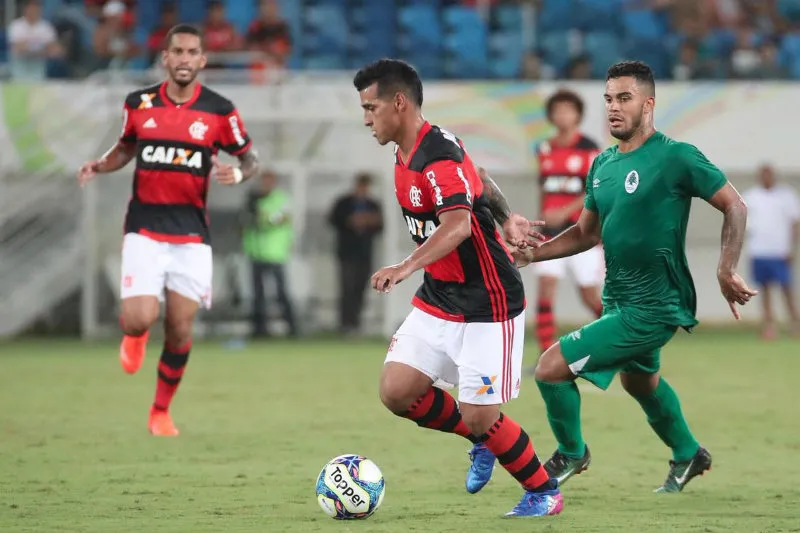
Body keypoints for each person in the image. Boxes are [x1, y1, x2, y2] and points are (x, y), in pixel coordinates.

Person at [507, 61, 756, 493]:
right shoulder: (602, 164)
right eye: (608, 99)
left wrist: (725, 266)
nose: (613, 108)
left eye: (624, 98)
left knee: (550, 369)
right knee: (640, 382)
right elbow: (586, 233)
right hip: (619, 298)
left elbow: (735, 204)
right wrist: (534, 253)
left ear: (649, 102)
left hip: (655, 306)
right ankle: (688, 454)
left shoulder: (675, 156)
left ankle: (571, 452)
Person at [353, 58, 562, 517]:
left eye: (371, 107)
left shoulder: (437, 154)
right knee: (397, 391)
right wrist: (507, 217)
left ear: (399, 103)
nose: (366, 118)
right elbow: (481, 178)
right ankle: (482, 440)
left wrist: (405, 266)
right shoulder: (409, 149)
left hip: (488, 301)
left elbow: (460, 226)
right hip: (440, 296)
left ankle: (544, 492)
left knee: (481, 415)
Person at [76, 24, 259, 436]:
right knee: (141, 317)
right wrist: (99, 164)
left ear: (202, 60)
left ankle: (160, 412)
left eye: (192, 52)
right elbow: (125, 147)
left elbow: (252, 160)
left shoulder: (219, 110)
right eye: (176, 51)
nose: (183, 59)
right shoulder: (138, 103)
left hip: (192, 235)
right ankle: (135, 334)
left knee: (179, 329)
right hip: (145, 227)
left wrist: (240, 175)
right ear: (165, 57)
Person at [532, 88, 603, 359]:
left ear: (578, 115)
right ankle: (545, 354)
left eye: (568, 110)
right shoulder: (544, 149)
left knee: (589, 296)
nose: (562, 115)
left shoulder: (589, 149)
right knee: (545, 291)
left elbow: (594, 190)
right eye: (558, 110)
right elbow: (545, 188)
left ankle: (621, 346)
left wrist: (565, 211)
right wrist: (544, 216)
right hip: (550, 234)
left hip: (582, 233)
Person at [742, 164, 800, 339]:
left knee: (787, 289)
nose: (766, 178)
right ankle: (769, 327)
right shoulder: (750, 197)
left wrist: (792, 248)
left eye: (769, 174)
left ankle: (795, 324)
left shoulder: (786, 196)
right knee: (764, 290)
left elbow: (795, 223)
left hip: (780, 251)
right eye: (763, 174)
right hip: (759, 250)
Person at [243, 170, 298, 338]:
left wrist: (263, 218)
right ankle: (260, 330)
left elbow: (278, 219)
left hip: (275, 252)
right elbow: (247, 221)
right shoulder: (253, 199)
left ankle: (292, 328)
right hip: (256, 251)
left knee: (281, 292)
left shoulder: (281, 199)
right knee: (257, 294)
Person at [328, 173, 383, 335]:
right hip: (346, 252)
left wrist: (369, 222)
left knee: (361, 287)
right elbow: (333, 220)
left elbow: (380, 227)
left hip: (365, 253)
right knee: (347, 287)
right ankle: (345, 324)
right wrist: (350, 221)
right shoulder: (344, 203)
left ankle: (356, 322)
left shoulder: (373, 204)